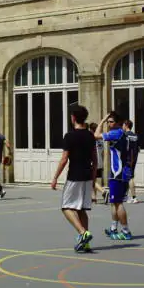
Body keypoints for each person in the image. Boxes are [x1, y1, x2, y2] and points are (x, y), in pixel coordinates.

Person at [51, 105, 96, 252]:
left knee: (66, 207)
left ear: (73, 118)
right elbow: (95, 159)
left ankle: (83, 233)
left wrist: (55, 177)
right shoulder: (90, 135)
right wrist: (94, 178)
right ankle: (86, 243)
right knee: (82, 209)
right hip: (87, 175)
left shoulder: (69, 136)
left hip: (74, 176)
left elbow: (64, 159)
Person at [93, 111, 132, 240]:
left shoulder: (116, 133)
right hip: (122, 172)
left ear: (117, 123)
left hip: (118, 173)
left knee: (118, 203)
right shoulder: (124, 134)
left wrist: (102, 120)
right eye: (108, 121)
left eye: (111, 121)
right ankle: (113, 228)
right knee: (114, 202)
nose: (108, 124)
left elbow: (96, 135)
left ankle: (126, 231)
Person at [123, 119, 140, 204]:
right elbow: (138, 148)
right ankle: (126, 196)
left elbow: (124, 148)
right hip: (134, 158)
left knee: (130, 177)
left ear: (126, 125)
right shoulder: (135, 135)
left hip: (127, 159)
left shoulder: (125, 135)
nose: (122, 126)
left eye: (123, 125)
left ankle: (134, 197)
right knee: (127, 176)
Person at [88, 123, 105, 203]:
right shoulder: (100, 139)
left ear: (91, 130)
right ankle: (94, 197)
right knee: (94, 179)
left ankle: (103, 191)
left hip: (93, 162)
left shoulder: (91, 138)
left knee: (92, 180)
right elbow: (102, 152)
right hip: (100, 161)